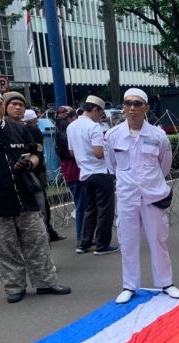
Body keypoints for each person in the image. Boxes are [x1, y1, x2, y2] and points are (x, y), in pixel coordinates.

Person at [0, 88, 70, 303]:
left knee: (37, 242)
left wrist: (31, 162)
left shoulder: (17, 128)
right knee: (4, 248)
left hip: (25, 197)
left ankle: (46, 282)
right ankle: (14, 287)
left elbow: (35, 151)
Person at [105, 88, 179, 304]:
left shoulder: (158, 136)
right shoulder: (112, 136)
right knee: (128, 241)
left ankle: (166, 282)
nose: (132, 108)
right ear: (123, 107)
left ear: (146, 108)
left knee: (158, 239)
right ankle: (129, 285)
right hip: (127, 196)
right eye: (128, 103)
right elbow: (111, 165)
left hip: (152, 195)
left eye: (137, 103)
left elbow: (164, 166)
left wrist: (148, 181)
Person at [67, 95, 119, 255]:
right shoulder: (94, 127)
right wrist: (112, 150)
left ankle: (84, 243)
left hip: (85, 173)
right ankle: (102, 245)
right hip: (101, 172)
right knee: (105, 210)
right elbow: (98, 153)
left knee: (90, 209)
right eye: (100, 113)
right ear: (95, 109)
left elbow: (71, 152)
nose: (100, 117)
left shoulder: (71, 126)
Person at [21, 108, 66, 242]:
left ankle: (46, 231)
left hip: (31, 169)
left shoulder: (26, 131)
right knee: (42, 202)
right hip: (37, 171)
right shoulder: (33, 130)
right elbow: (39, 148)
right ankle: (47, 230)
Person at [55, 106, 87, 244]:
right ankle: (82, 237)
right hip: (76, 172)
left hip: (69, 172)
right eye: (74, 116)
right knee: (81, 205)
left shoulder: (59, 133)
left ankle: (84, 235)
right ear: (69, 118)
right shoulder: (68, 134)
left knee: (81, 204)